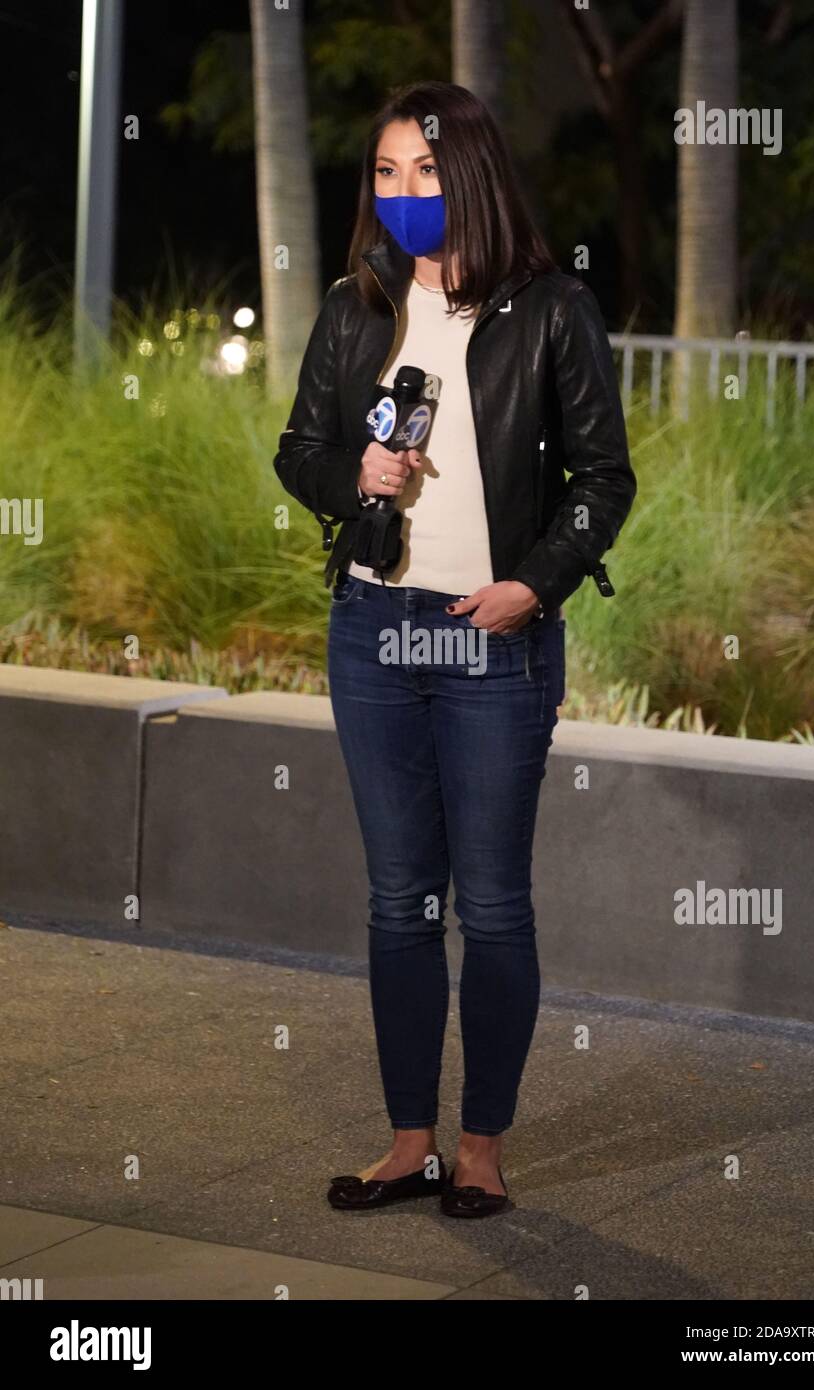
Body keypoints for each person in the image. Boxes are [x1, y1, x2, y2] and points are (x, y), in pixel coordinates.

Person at [274, 80, 636, 1219]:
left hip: (493, 640)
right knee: (395, 902)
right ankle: (407, 1143)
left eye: (423, 172)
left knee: (490, 904)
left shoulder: (549, 307)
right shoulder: (354, 305)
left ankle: (479, 1150)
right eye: (384, 175)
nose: (403, 195)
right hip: (373, 628)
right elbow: (300, 452)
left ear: (470, 172)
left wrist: (535, 582)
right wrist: (353, 479)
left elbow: (602, 478)